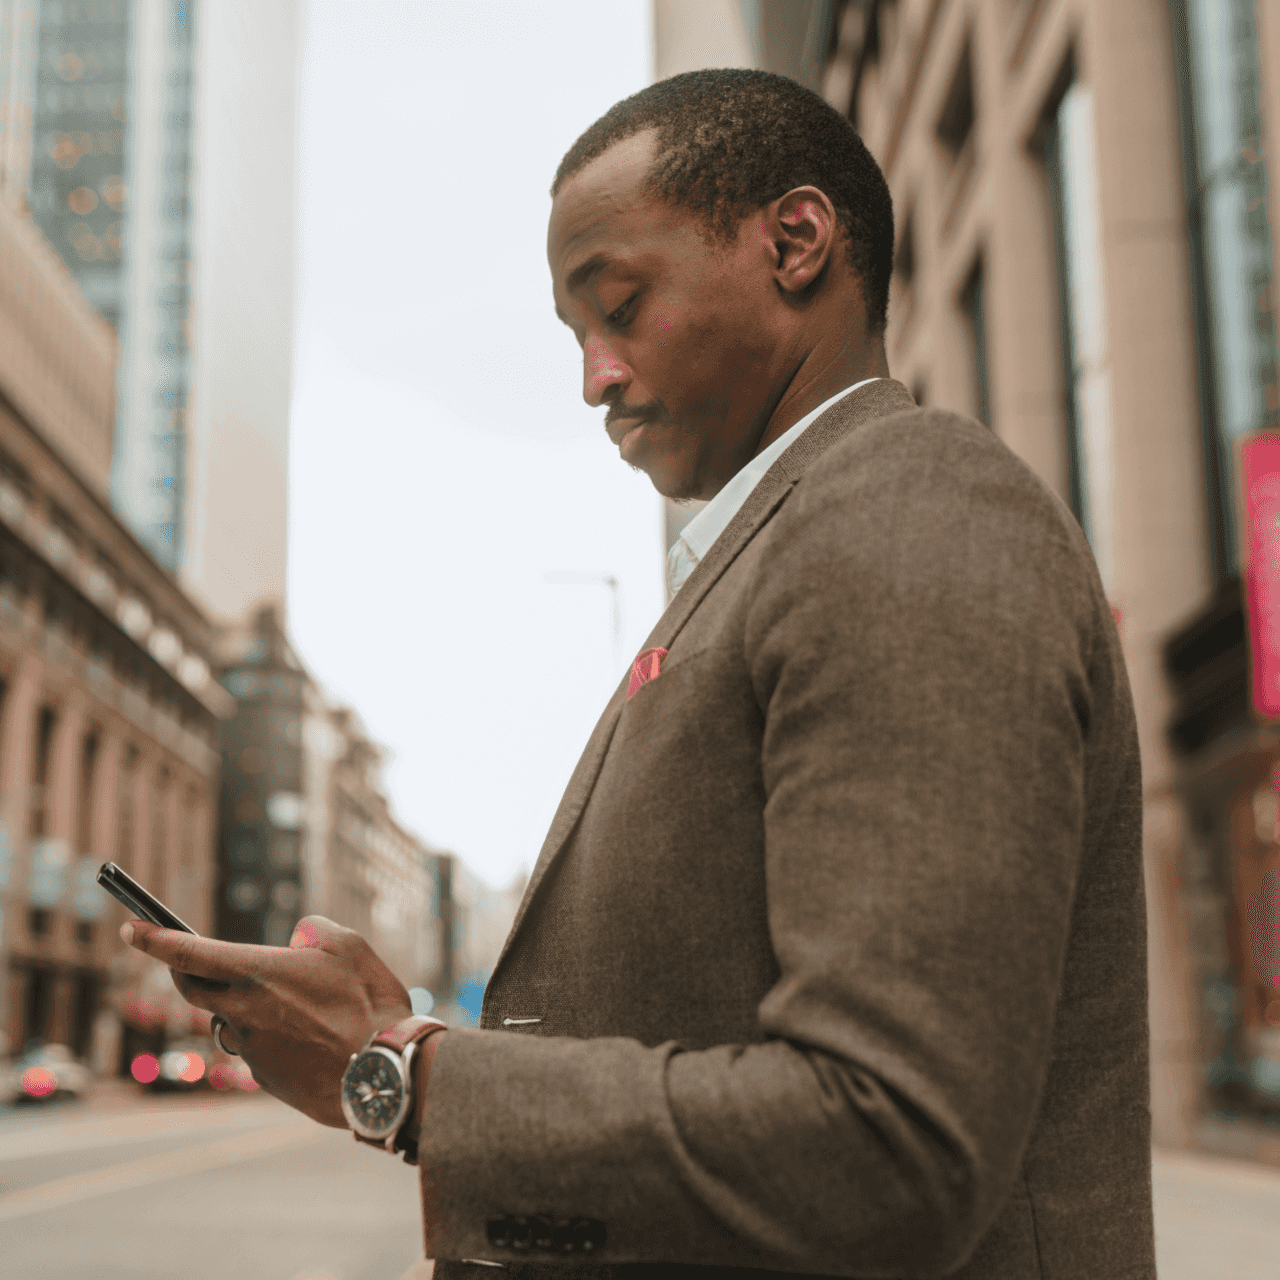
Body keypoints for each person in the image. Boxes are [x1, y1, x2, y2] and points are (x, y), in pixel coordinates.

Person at [124, 70, 1157, 1279]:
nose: (593, 377)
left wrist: (406, 1074)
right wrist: (405, 1039)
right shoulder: (790, 538)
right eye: (573, 336)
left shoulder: (907, 509)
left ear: (795, 241)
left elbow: (890, 1140)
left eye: (617, 305)